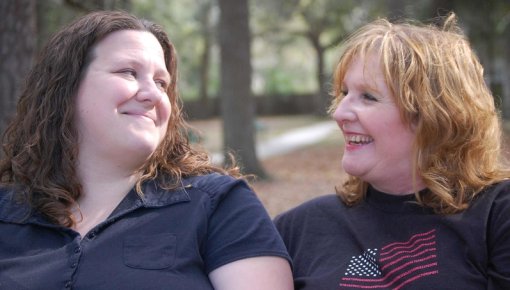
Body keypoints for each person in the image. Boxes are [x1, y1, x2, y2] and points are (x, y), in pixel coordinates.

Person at [0, 10, 292, 290]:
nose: (153, 94)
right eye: (129, 72)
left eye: (161, 82)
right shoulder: (7, 211)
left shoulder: (218, 206)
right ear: (66, 87)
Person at [275, 13, 510, 290]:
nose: (339, 113)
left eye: (368, 97)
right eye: (344, 93)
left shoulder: (496, 214)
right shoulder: (298, 227)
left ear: (436, 116)